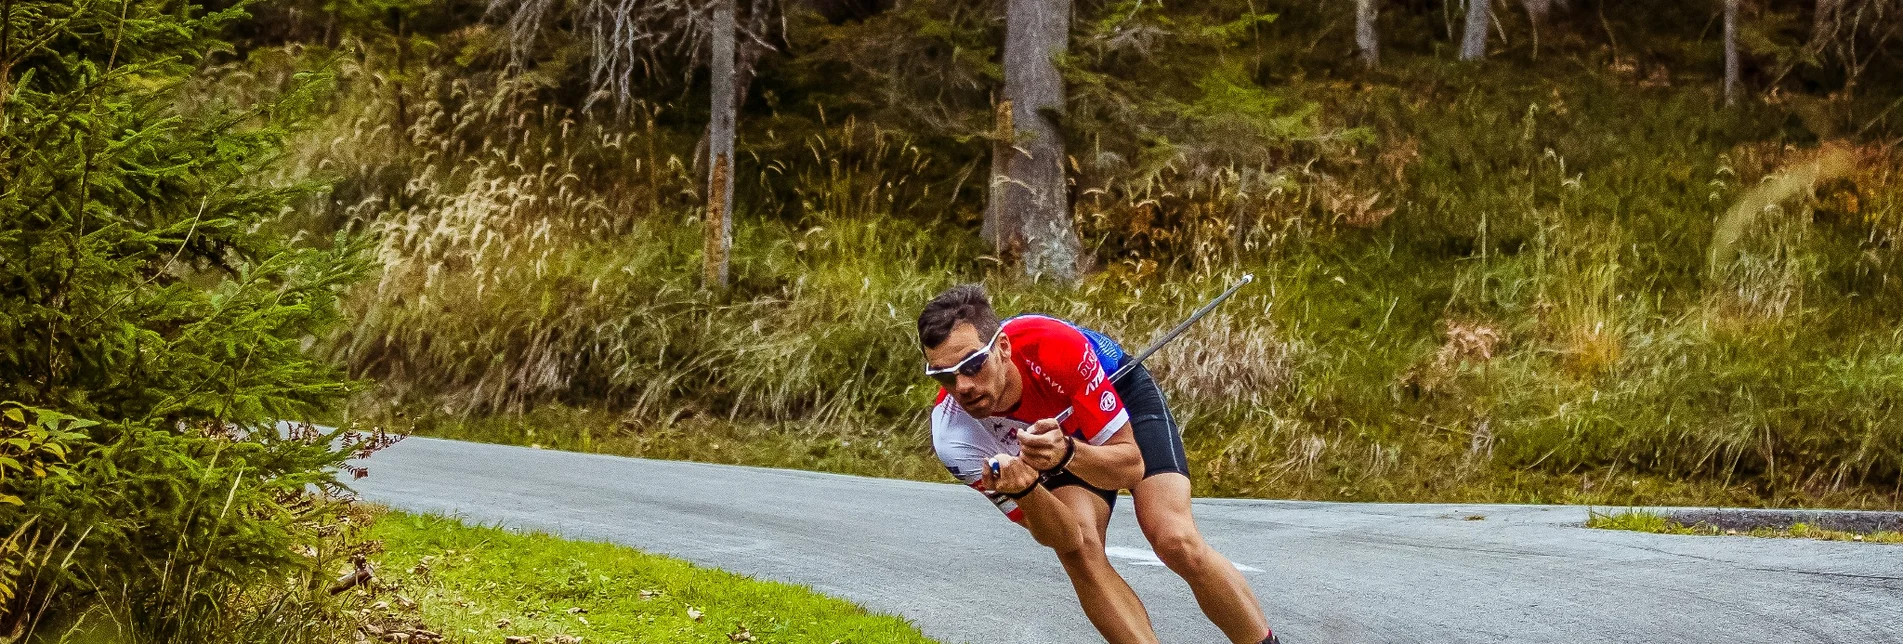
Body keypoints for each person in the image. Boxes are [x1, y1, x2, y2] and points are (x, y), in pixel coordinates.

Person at [917, 284, 1280, 644]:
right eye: (944, 376)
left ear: (1003, 348)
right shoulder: (954, 436)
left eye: (973, 365)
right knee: (1080, 551)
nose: (962, 385)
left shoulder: (1052, 346)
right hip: (1054, 440)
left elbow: (1130, 467)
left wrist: (1067, 454)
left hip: (1116, 397)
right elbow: (1060, 535)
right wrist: (1025, 489)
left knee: (1174, 537)